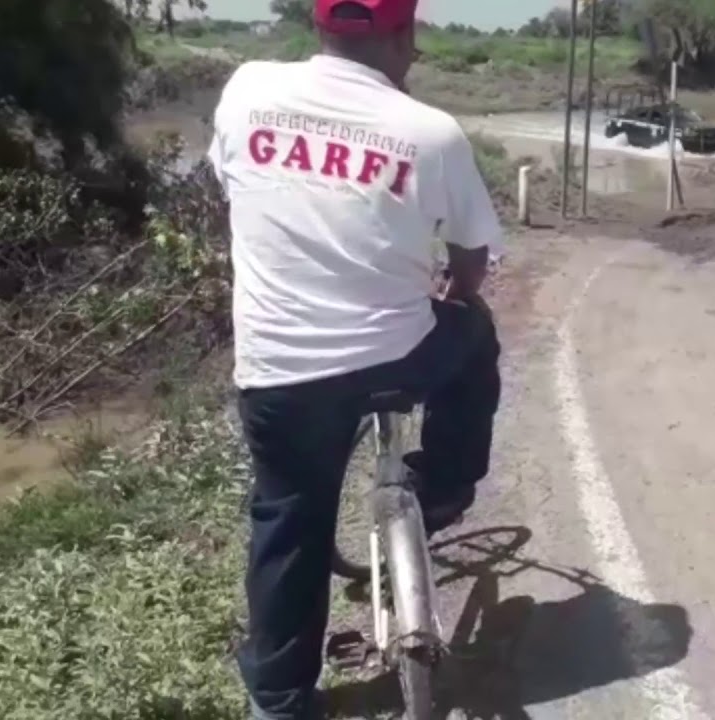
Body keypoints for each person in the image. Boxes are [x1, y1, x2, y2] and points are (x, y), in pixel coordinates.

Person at [205, 0, 503, 717]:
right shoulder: (432, 133)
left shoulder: (246, 88)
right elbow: (469, 264)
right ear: (404, 38)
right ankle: (444, 487)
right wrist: (457, 292)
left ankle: (279, 700)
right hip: (396, 358)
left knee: (289, 517)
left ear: (319, 28)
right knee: (475, 337)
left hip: (282, 373)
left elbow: (232, 183)